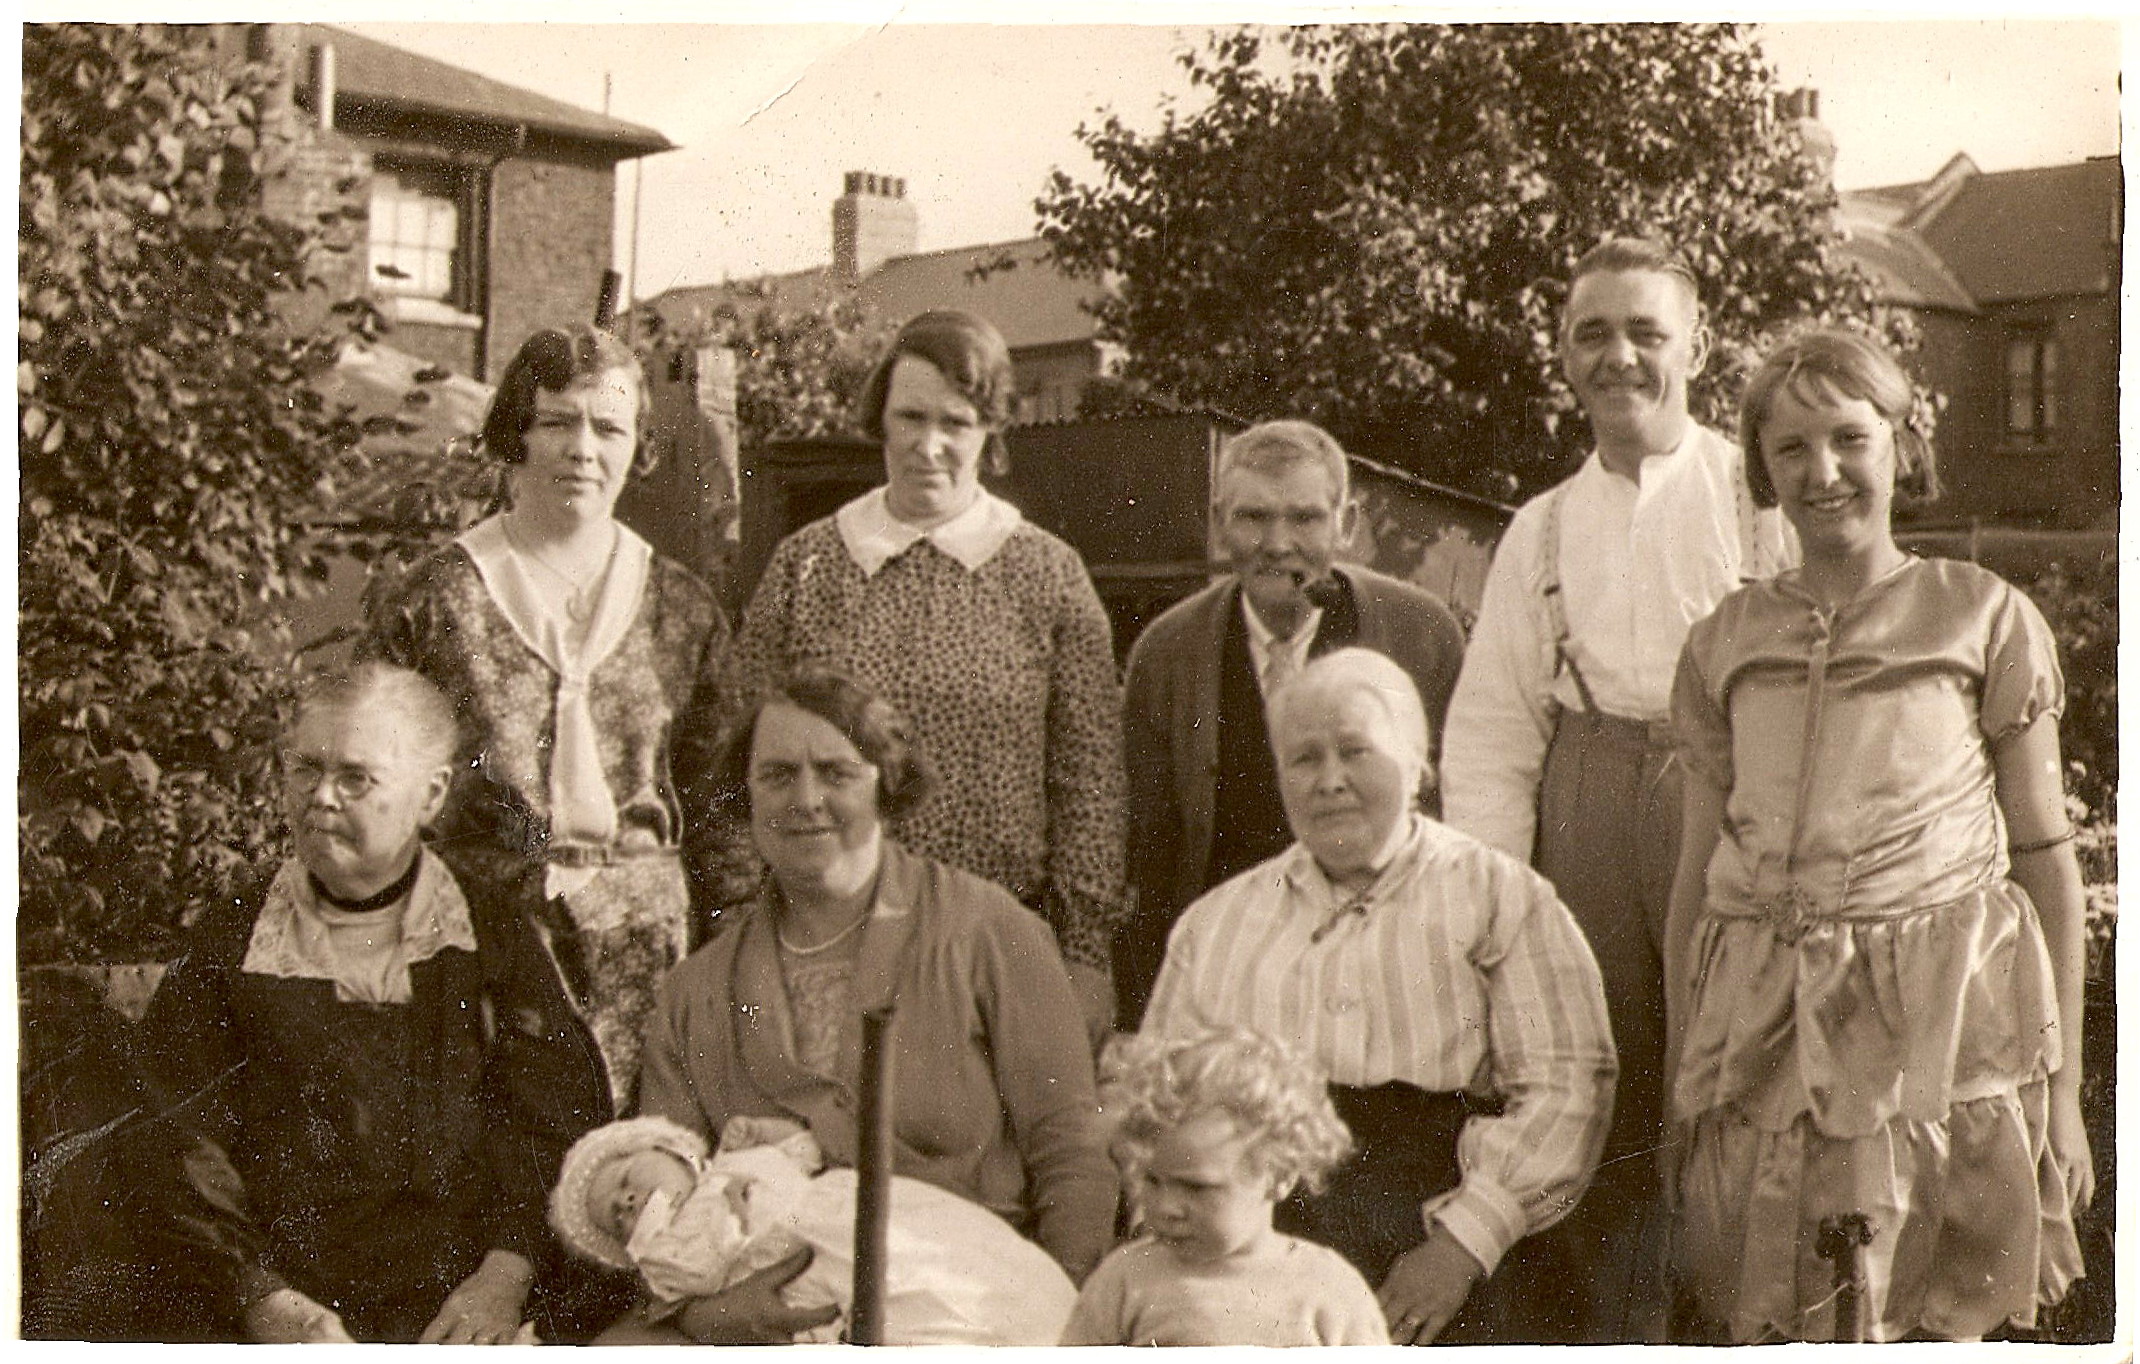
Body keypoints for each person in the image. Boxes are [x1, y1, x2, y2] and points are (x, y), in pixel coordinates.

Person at [1664, 327, 2090, 1342]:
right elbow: (1695, 871)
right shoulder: (1723, 639)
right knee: (1779, 1294)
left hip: (1933, 1022)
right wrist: (1687, 1069)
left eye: (1849, 439)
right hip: (1764, 1014)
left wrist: (2065, 1087)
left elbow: (2043, 855)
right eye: (1790, 449)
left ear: (1899, 445)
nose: (1823, 472)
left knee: (1926, 1299)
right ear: (1761, 472)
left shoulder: (1978, 615)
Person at [1439, 236, 1796, 1341]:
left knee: (1736, 1059)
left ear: (1692, 344)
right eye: (1592, 333)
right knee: (1593, 1070)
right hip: (1585, 798)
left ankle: (1739, 1313)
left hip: (1734, 790)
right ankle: (1612, 1327)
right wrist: (1497, 896)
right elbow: (1497, 723)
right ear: (1560, 354)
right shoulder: (1539, 526)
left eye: (1645, 331)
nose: (1620, 357)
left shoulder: (1759, 501)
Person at [611, 668, 1116, 1343]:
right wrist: (711, 1315)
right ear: (745, 794)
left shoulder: (989, 931)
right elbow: (660, 1196)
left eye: (836, 772)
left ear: (886, 782)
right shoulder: (694, 992)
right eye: (778, 775)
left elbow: (1071, 1152)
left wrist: (1059, 1321)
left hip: (971, 1306)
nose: (806, 799)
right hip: (765, 1326)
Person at [1144, 647, 1615, 1345]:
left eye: (1356, 752)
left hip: (1445, 1222)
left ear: (1420, 764)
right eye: (1304, 759)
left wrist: (1461, 1248)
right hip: (1263, 1230)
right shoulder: (1216, 925)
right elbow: (1160, 1103)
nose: (1330, 781)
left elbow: (1568, 1086)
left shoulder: (1499, 896)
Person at [130, 663, 609, 1343]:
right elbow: (177, 1133)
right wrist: (263, 1297)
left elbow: (552, 1121)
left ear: (431, 795)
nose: (321, 798)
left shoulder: (489, 933)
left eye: (356, 777)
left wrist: (502, 1280)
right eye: (305, 770)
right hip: (276, 1300)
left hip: (466, 1301)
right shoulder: (238, 933)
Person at [362, 323, 732, 1114]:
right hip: (478, 954)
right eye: (557, 422)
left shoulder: (682, 608)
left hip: (649, 958)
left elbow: (720, 809)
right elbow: (373, 784)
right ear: (515, 435)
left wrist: (728, 960)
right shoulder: (435, 599)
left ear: (640, 445)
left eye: (609, 427)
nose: (582, 450)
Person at [728, 310, 1125, 1040]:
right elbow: (739, 760)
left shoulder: (1049, 575)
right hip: (821, 941)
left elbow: (1090, 782)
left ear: (990, 433)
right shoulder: (806, 566)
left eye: (957, 422)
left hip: (993, 946)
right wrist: (735, 930)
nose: (929, 445)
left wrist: (1086, 956)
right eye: (910, 416)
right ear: (879, 419)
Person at [1117, 418, 1464, 1026]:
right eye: (1252, 517)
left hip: (1390, 963)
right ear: (1219, 521)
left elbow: (1459, 811)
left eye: (1304, 518)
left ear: (1345, 524)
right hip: (1232, 973)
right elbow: (1148, 850)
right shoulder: (1167, 653)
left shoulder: (1420, 633)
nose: (1278, 543)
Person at [548, 1114, 1076, 1344]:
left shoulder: (735, 1157)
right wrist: (723, 1223)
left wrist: (769, 1134)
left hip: (845, 1212)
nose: (628, 1200)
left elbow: (805, 1152)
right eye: (617, 1217)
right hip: (803, 1274)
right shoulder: (668, 1253)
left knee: (948, 1267)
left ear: (670, 1150)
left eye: (626, 1178)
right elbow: (698, 1276)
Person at [1062, 1027, 1388, 1346]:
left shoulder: (1328, 1288)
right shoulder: (1127, 1279)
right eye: (1152, 1180)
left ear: (1278, 1177)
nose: (1165, 1208)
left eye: (1196, 1188)